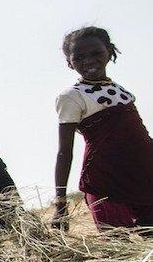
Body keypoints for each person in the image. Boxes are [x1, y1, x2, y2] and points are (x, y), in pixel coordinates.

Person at [53, 26, 153, 229]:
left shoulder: (121, 91)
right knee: (119, 250)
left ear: (109, 51)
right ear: (69, 63)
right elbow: (65, 151)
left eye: (96, 53)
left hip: (145, 177)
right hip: (106, 183)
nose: (88, 60)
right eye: (79, 57)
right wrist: (60, 203)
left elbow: (139, 137)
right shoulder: (71, 97)